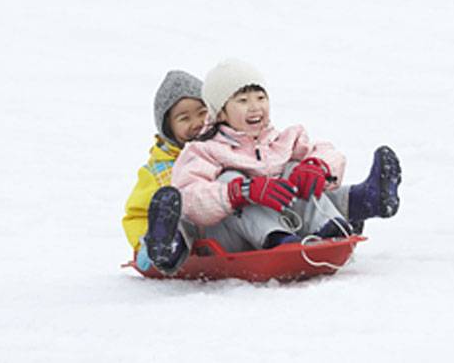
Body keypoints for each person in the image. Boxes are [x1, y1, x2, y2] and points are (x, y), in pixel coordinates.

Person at [166, 59, 402, 255]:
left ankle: (331, 226)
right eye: (242, 101)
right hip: (230, 236)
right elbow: (187, 197)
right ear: (220, 113)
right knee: (231, 178)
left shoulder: (282, 140)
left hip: (289, 221)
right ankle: (278, 238)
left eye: (260, 97)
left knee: (293, 169)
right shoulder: (203, 150)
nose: (255, 107)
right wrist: (238, 192)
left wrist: (317, 166)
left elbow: (329, 152)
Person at [121, 70, 207, 275]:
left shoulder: (226, 149)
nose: (197, 123)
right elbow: (136, 215)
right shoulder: (159, 170)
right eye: (184, 118)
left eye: (203, 112)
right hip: (189, 238)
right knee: (179, 218)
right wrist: (142, 244)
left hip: (223, 229)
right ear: (168, 129)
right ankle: (164, 247)